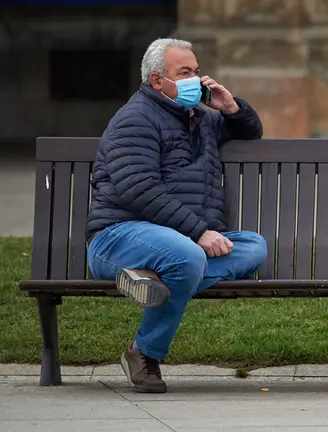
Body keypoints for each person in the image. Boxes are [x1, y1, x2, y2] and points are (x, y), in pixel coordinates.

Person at [85, 38, 267, 393]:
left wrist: (231, 106)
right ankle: (144, 352)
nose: (196, 81)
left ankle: (156, 280)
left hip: (179, 239)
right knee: (187, 255)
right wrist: (199, 232)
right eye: (184, 73)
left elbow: (249, 132)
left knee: (252, 247)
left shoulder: (200, 119)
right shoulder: (134, 119)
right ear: (157, 81)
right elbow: (138, 189)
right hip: (119, 235)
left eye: (197, 72)